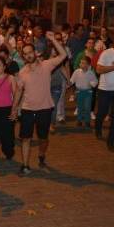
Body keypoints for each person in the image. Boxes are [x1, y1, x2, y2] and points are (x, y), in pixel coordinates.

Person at [12, 32, 67, 175]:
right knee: (26, 138)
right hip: (27, 109)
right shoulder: (22, 72)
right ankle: (25, 165)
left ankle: (41, 155)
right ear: (23, 56)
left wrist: (53, 39)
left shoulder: (46, 65)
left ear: (35, 53)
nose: (28, 55)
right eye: (25, 54)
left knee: (43, 139)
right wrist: (13, 109)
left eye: (30, 52)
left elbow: (63, 55)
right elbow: (18, 92)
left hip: (45, 108)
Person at [70, 56, 98, 127]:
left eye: (84, 63)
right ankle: (79, 120)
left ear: (88, 65)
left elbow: (95, 81)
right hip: (79, 92)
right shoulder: (76, 72)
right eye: (81, 63)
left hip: (88, 92)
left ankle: (87, 121)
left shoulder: (91, 73)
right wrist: (68, 84)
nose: (82, 64)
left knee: (87, 107)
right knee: (80, 106)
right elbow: (72, 80)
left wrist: (92, 84)